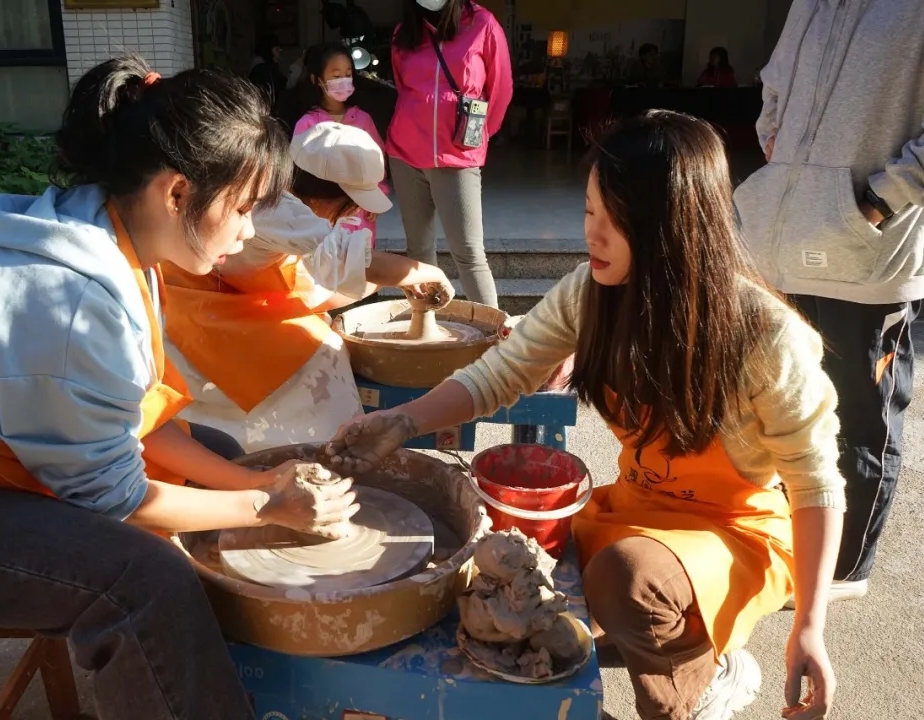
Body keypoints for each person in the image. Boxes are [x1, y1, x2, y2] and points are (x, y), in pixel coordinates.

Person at [0, 56, 359, 720]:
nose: (249, 231)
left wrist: (258, 483)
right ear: (177, 192)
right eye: (241, 208)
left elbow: (139, 423)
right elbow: (112, 497)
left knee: (221, 454)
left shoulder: (116, 240)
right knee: (141, 581)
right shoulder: (66, 295)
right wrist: (266, 505)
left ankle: (199, 676)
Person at [327, 111, 844, 720]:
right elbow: (500, 374)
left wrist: (809, 627)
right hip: (634, 508)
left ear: (671, 225)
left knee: (628, 582)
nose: (592, 235)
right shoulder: (589, 293)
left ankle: (696, 685)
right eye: (588, 211)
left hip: (733, 531)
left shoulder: (765, 336)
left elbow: (816, 484)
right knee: (498, 580)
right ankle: (686, 648)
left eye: (613, 219)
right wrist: (402, 422)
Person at [734, 0, 924, 604]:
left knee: (861, 419)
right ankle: (787, 543)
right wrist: (773, 140)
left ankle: (842, 571)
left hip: (870, 260)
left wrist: (878, 201)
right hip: (783, 248)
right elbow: (776, 80)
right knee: (776, 405)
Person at [163, 121, 453, 452]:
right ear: (322, 194)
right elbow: (358, 260)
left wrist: (383, 284)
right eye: (351, 203)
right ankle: (315, 453)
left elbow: (316, 289)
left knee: (321, 337)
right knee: (323, 354)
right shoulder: (277, 208)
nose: (355, 212)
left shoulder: (282, 205)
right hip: (195, 313)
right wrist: (425, 271)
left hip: (220, 303)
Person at [387, 0, 513, 308]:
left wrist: (479, 135)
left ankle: (495, 332)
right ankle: (426, 325)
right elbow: (403, 88)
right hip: (405, 152)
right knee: (418, 251)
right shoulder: (404, 32)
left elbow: (501, 88)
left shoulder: (482, 23)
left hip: (457, 156)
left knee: (469, 254)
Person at [292, 42, 389, 242]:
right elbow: (296, 170)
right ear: (316, 79)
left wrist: (378, 192)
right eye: (336, 76)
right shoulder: (307, 123)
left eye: (348, 74)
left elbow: (378, 162)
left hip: (360, 211)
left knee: (359, 256)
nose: (343, 80)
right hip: (321, 212)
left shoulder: (362, 118)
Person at [249, 33, 287, 109]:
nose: (280, 52)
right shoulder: (262, 69)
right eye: (277, 49)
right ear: (268, 51)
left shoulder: (268, 67)